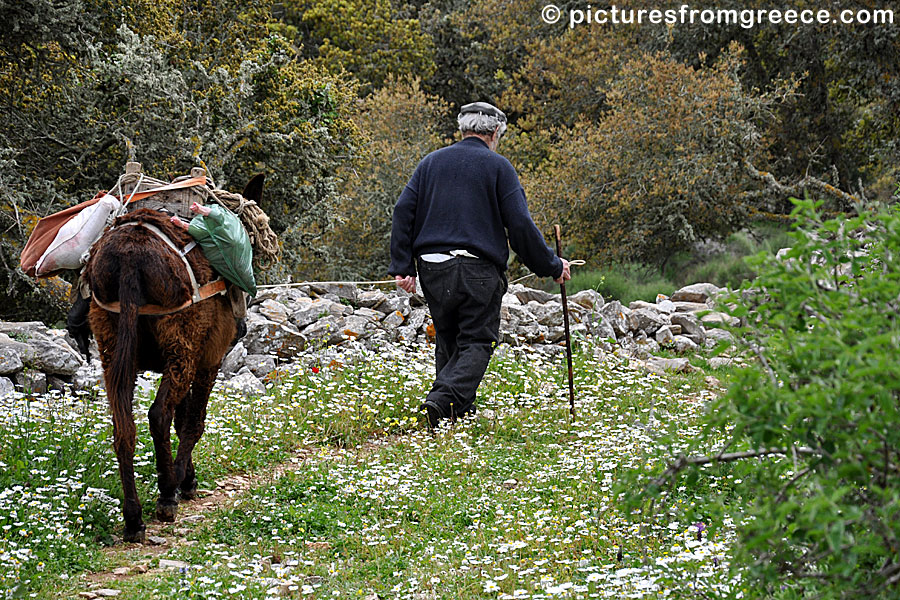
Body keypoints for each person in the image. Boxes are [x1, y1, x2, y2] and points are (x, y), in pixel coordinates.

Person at [389, 101, 571, 429]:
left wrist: (403, 266)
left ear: (463, 129)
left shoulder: (430, 163)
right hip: (476, 269)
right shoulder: (498, 167)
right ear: (495, 132)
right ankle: (442, 401)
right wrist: (552, 265)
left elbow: (403, 211)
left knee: (448, 337)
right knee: (477, 339)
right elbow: (519, 225)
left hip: (431, 267)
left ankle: (455, 412)